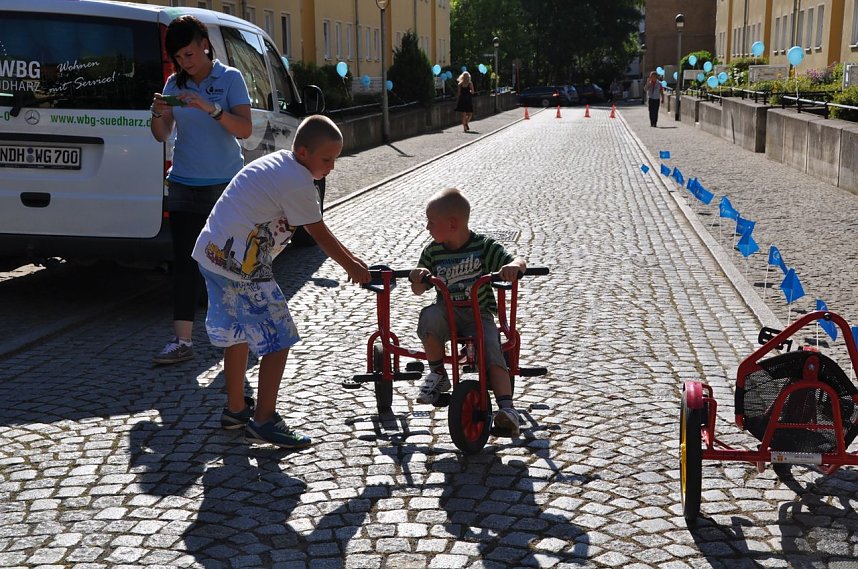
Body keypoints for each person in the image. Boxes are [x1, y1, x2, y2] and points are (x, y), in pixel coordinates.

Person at [192, 115, 370, 449]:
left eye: (335, 160)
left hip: (211, 254)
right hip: (241, 265)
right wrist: (353, 267)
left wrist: (355, 261)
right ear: (303, 152)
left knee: (238, 334)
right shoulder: (298, 180)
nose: (331, 167)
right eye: (326, 159)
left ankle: (234, 409)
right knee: (277, 338)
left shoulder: (279, 163)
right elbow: (318, 232)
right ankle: (263, 419)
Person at [150, 15, 253, 365]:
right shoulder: (173, 84)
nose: (185, 62)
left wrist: (212, 110)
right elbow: (161, 134)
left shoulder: (230, 79)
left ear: (205, 45)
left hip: (223, 186)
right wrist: (158, 113)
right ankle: (182, 342)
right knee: (184, 264)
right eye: (179, 57)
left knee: (227, 264)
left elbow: (245, 129)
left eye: (190, 54)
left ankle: (236, 337)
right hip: (183, 183)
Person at [408, 188, 527, 436]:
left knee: (492, 350)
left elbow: (517, 261)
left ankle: (507, 408)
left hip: (478, 314)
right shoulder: (432, 251)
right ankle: (438, 374)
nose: (427, 227)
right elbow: (419, 289)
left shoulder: (483, 246)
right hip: (446, 312)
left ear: (452, 223)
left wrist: (512, 267)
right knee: (428, 316)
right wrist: (418, 277)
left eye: (431, 222)